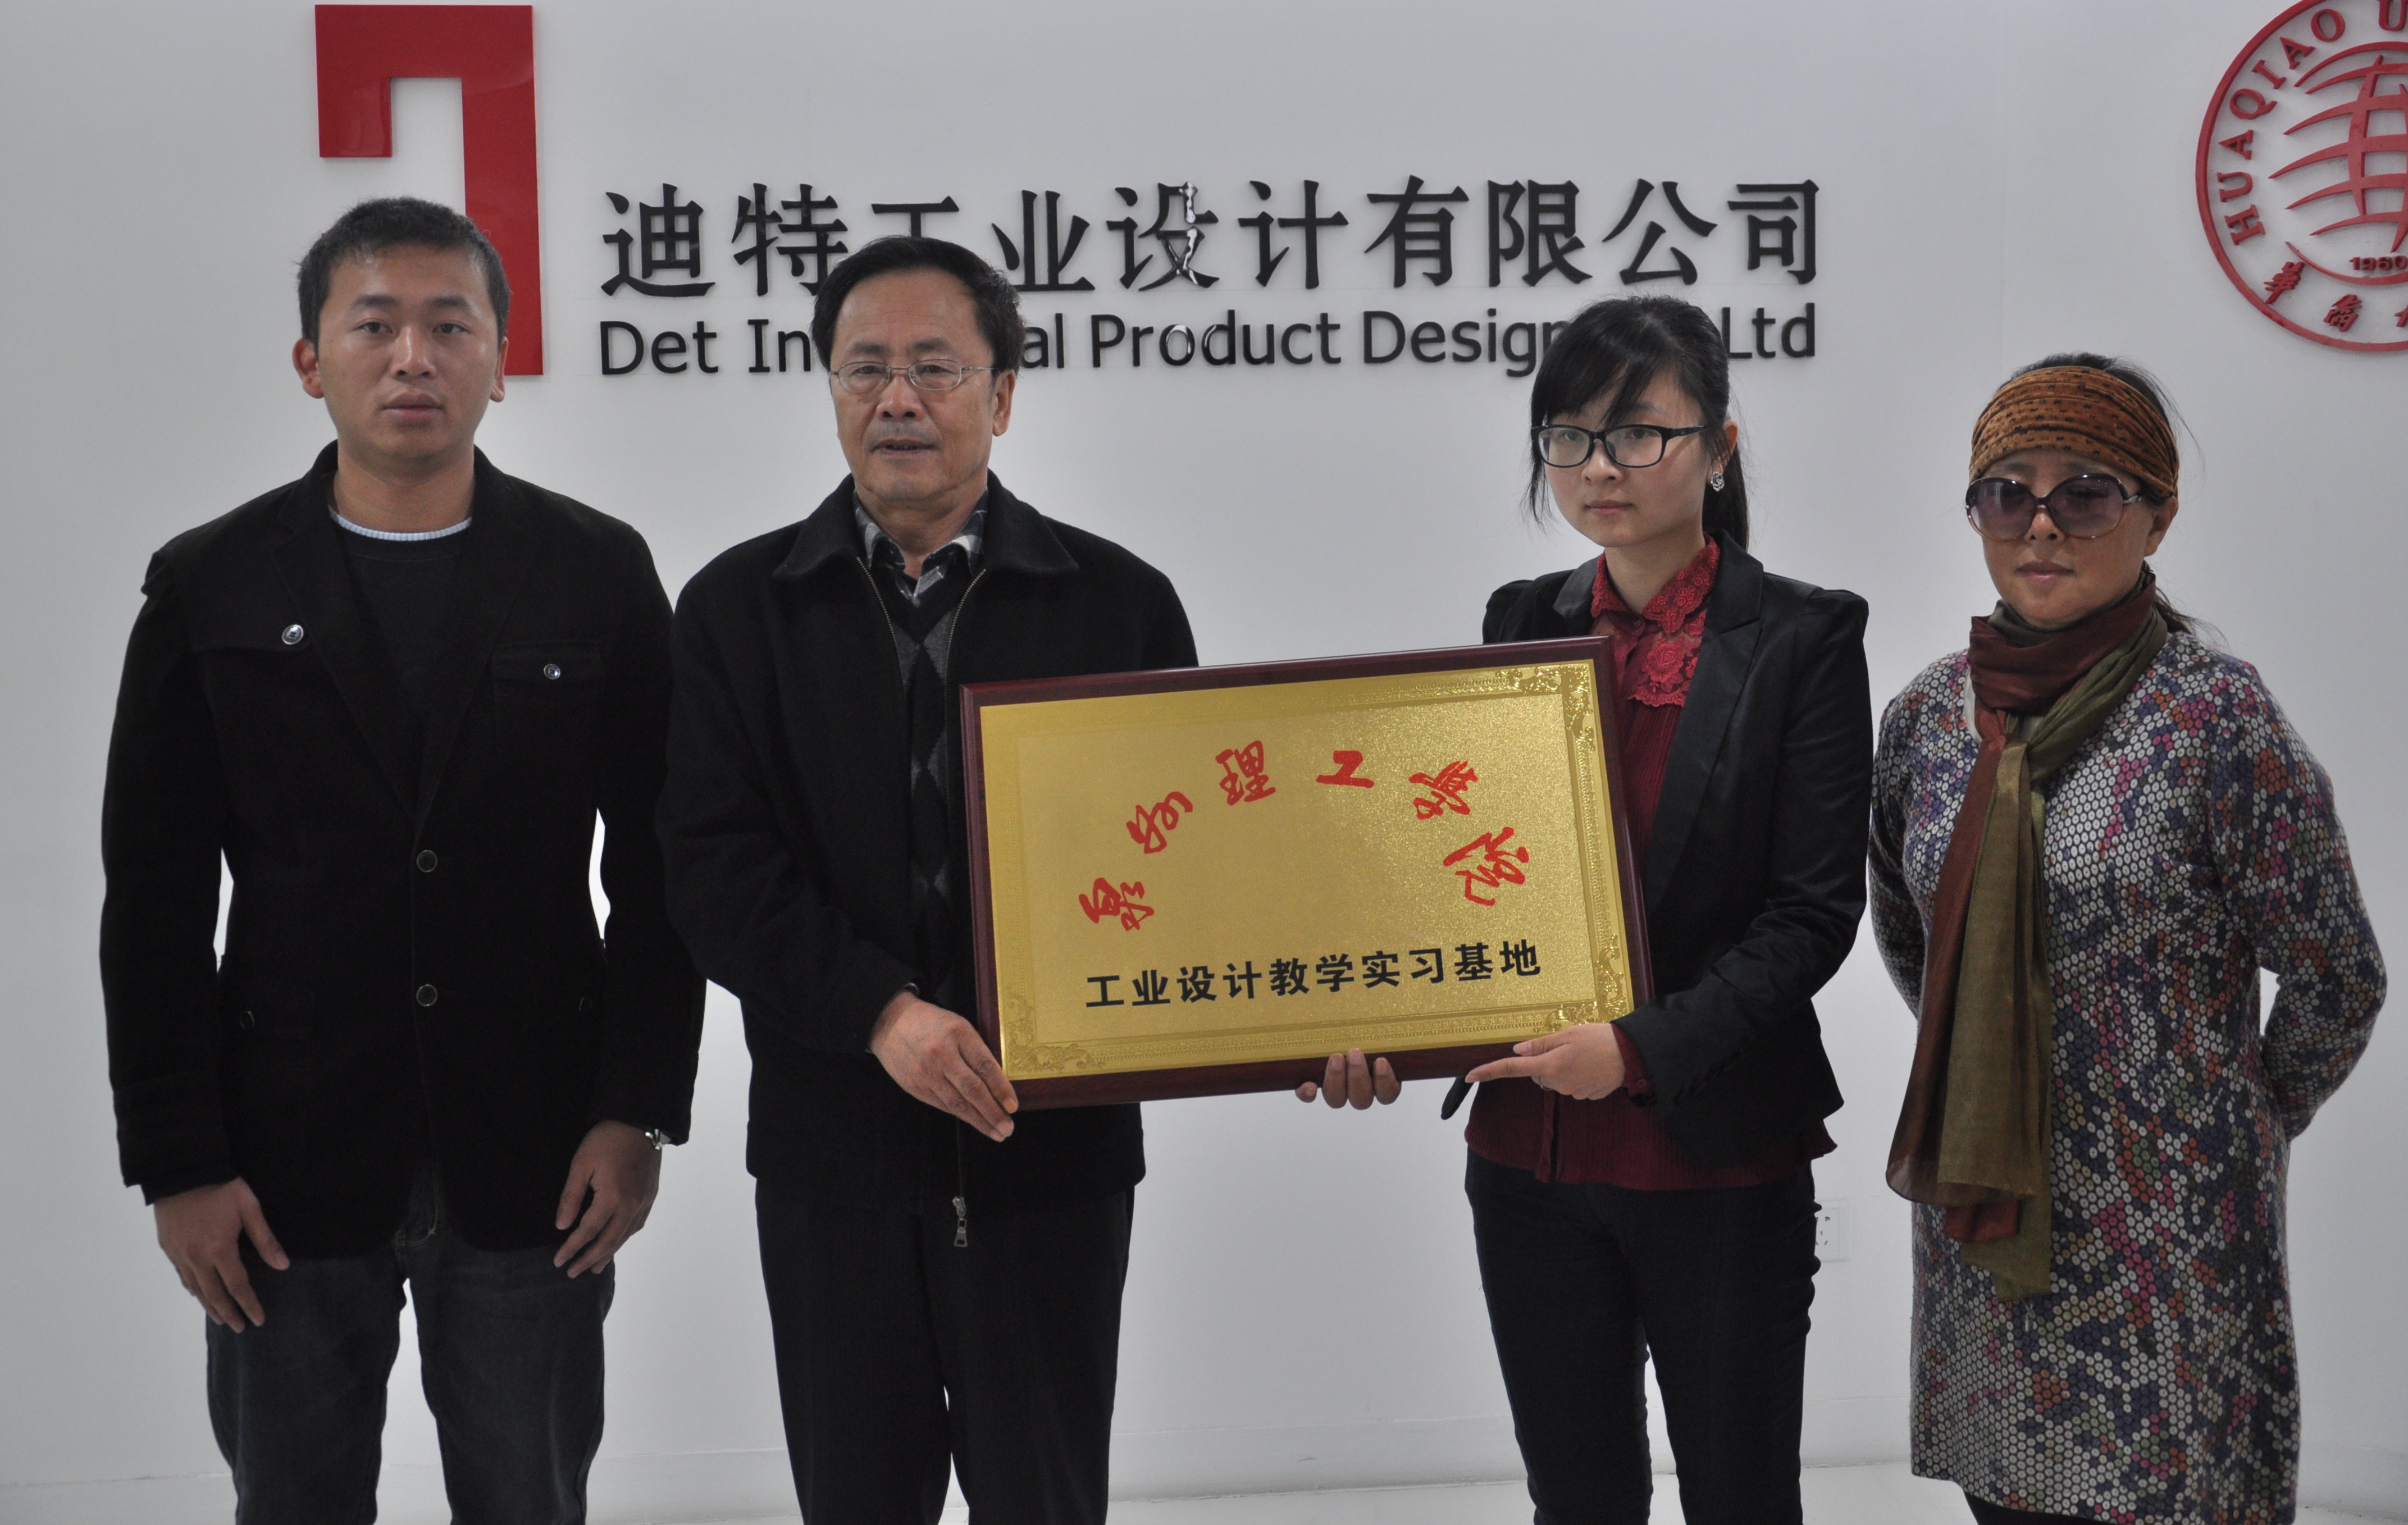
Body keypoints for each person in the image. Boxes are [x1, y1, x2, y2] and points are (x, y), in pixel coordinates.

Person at [99, 196, 704, 1523]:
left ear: (501, 356)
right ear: (310, 359)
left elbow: (661, 868)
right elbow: (152, 897)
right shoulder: (212, 582)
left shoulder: (596, 570)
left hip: (539, 1146)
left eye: (450, 325)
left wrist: (637, 1109)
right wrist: (178, 1160)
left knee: (530, 1495)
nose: (413, 357)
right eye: (373, 325)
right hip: (280, 1152)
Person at [1302, 295, 1869, 1524]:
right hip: (1529, 1152)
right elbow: (1465, 867)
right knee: (1575, 1498)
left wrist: (1636, 1048)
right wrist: (1373, 1016)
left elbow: (1808, 915)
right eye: (1568, 437)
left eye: (1637, 433)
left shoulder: (1804, 636)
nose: (1599, 467)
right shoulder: (1523, 618)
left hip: (1715, 1148)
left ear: (1719, 448)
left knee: (1740, 1497)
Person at [659, 235, 1196, 1524]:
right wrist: (880, 1011)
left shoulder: (1116, 604)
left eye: (935, 367)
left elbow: (1181, 857)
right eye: (864, 368)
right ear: (829, 389)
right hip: (831, 1155)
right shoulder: (736, 608)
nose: (896, 398)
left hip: (1048, 1155)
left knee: (1045, 1497)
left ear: (1001, 395)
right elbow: (711, 867)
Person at [1870, 355, 2385, 1525]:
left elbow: (2335, 974)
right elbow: (1907, 928)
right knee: (2006, 1503)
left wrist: (2230, 1119)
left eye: (2086, 492)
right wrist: (1993, 1055)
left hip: (2170, 1242)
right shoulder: (1929, 717)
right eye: (2007, 492)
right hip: (1987, 1223)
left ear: (2158, 514)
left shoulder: (2215, 717)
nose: (2041, 523)